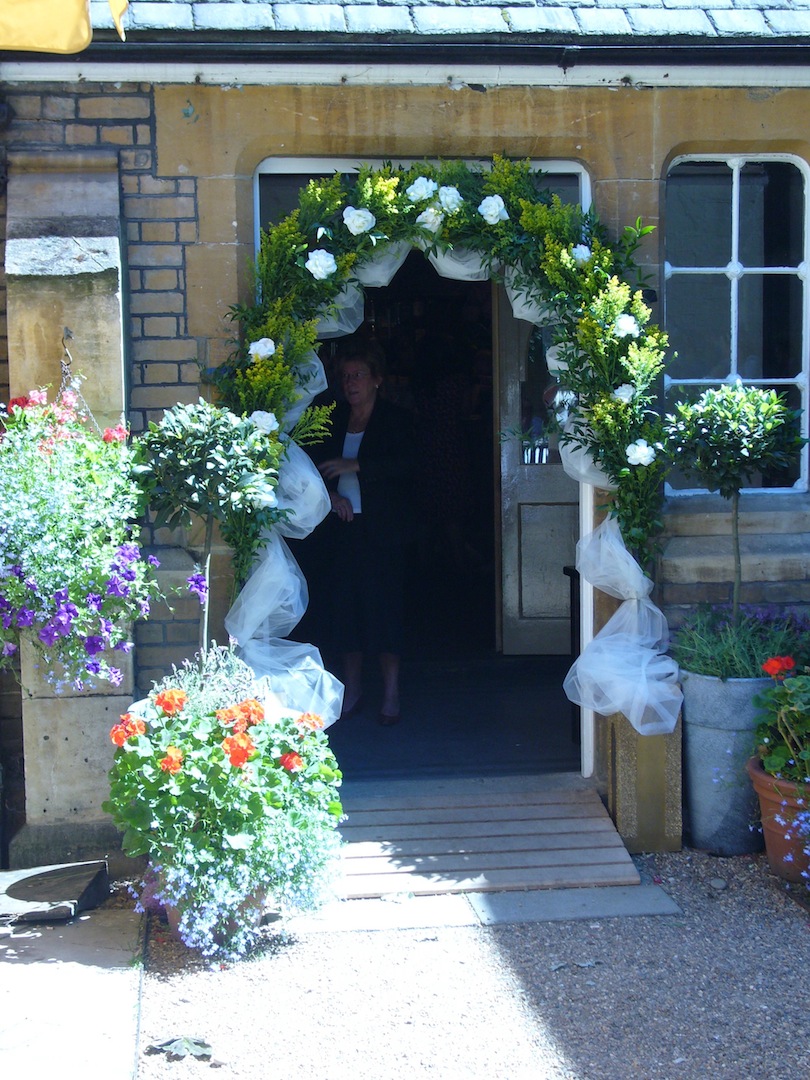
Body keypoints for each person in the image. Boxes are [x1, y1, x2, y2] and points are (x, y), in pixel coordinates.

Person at [313, 350, 414, 725]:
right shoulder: (333, 419)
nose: (351, 383)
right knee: (345, 610)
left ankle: (391, 693)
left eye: (358, 375)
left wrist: (358, 465)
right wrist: (333, 496)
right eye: (346, 377)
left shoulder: (397, 420)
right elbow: (313, 467)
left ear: (376, 380)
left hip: (383, 532)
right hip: (343, 530)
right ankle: (352, 689)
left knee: (384, 611)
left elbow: (409, 466)